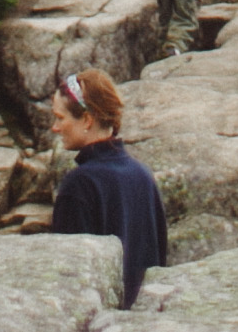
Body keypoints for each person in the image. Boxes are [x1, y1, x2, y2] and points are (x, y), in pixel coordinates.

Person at [45, 67, 167, 304]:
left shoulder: (79, 185)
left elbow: (69, 278)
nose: (55, 127)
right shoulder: (143, 176)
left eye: (60, 118)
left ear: (87, 120)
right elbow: (159, 264)